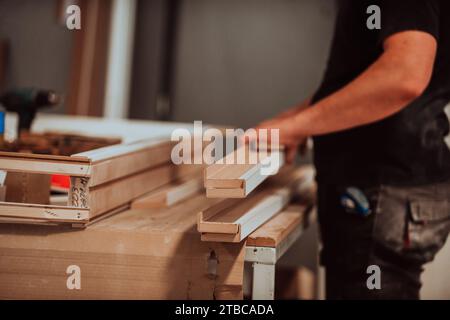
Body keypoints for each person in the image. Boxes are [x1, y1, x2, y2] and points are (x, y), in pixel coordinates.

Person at [253, 0, 450, 299]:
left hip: (381, 194)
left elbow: (405, 76)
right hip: (387, 192)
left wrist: (296, 127)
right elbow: (356, 80)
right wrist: (293, 121)